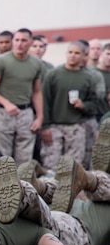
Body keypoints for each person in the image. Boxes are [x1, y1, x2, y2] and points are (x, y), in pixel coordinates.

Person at [0, 28, 43, 165]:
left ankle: (23, 186)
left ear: (30, 42)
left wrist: (40, 117)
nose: (20, 44)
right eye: (17, 40)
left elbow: (37, 91)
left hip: (25, 113)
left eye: (24, 40)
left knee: (24, 159)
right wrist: (6, 103)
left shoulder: (36, 64)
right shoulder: (1, 61)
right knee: (2, 159)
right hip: (3, 112)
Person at [39, 41, 98, 171]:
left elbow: (94, 105)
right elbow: (44, 101)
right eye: (70, 52)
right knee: (51, 166)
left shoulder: (88, 78)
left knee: (74, 168)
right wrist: (45, 126)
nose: (72, 55)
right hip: (54, 126)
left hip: (76, 127)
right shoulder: (53, 74)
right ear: (66, 53)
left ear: (84, 56)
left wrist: (83, 105)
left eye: (77, 53)